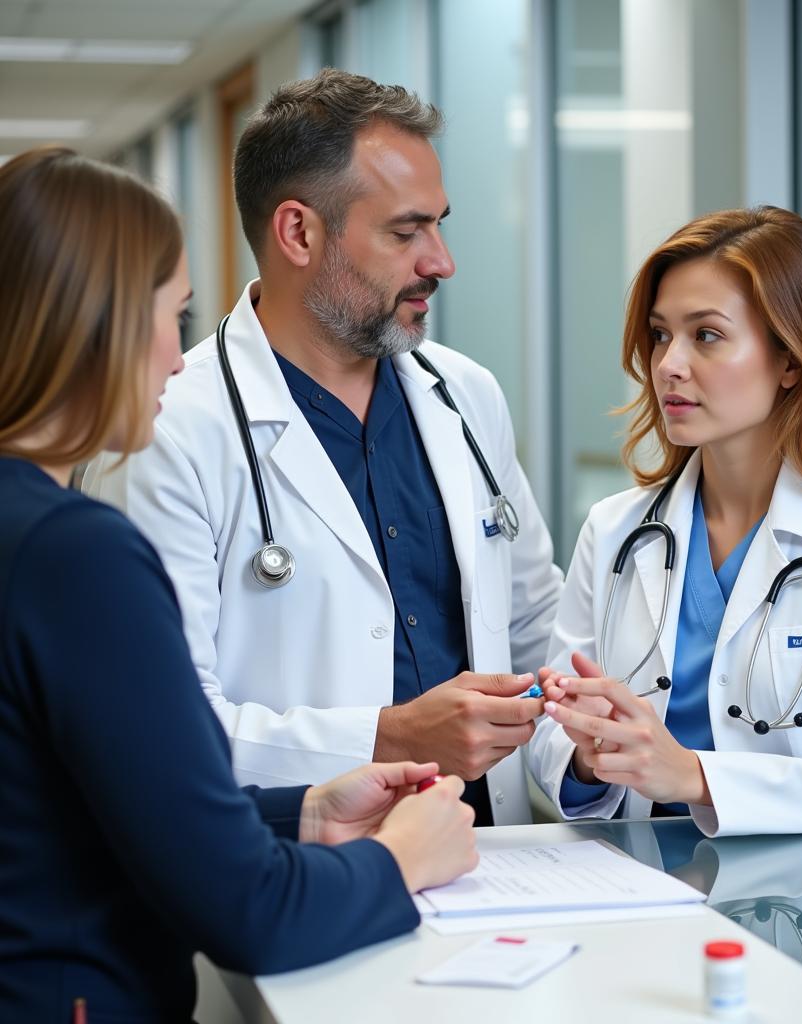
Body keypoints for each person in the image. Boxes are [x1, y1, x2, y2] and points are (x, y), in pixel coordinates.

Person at [0, 146, 477, 1022]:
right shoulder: (71, 555)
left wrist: (300, 811)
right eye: (169, 320)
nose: (179, 362)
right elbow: (251, 913)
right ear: (91, 326)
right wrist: (403, 858)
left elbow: (90, 799)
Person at [84, 70, 561, 825]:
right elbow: (156, 728)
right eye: (406, 232)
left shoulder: (465, 397)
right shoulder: (165, 429)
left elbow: (538, 630)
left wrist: (591, 763)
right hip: (292, 876)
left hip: (490, 860)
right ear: (299, 232)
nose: (441, 261)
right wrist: (384, 736)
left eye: (438, 225)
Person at [527, 206, 802, 836]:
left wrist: (694, 777)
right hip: (641, 885)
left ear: (791, 359)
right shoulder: (616, 530)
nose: (669, 363)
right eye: (659, 335)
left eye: (706, 335)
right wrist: (586, 758)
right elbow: (550, 732)